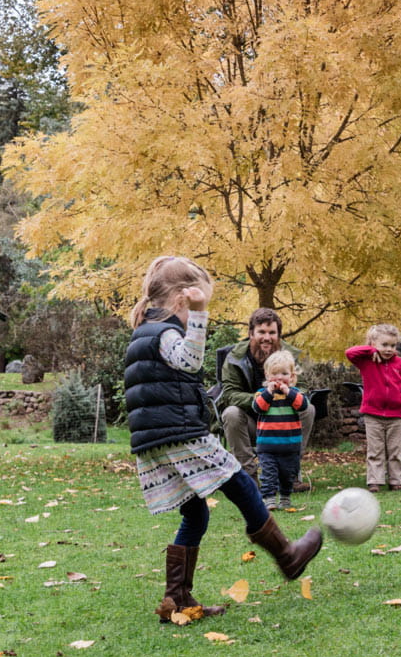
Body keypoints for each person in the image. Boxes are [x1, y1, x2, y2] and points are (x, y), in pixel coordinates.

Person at [121, 256, 321, 624]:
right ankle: (287, 555)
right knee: (241, 482)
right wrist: (199, 315)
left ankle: (176, 599)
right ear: (183, 298)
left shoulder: (144, 331)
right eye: (196, 304)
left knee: (194, 510)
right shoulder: (165, 331)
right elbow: (190, 362)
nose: (196, 315)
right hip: (178, 432)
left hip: (155, 437)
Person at [215, 308, 315, 489]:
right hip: (252, 423)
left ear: (279, 335)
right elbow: (229, 394)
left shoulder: (291, 355)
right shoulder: (235, 358)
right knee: (230, 413)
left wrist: (286, 392)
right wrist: (262, 398)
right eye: (261, 332)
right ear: (251, 333)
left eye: (272, 333)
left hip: (284, 421)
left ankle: (290, 475)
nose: (267, 337)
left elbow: (304, 389)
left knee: (309, 408)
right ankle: (248, 479)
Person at [346, 324, 401, 491]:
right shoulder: (367, 361)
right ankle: (375, 480)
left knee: (395, 450)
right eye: (384, 345)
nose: (389, 349)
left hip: (396, 415)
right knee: (375, 450)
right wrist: (370, 351)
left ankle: (396, 481)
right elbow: (350, 352)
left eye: (392, 345)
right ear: (373, 344)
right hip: (373, 414)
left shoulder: (398, 363)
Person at [252, 350, 308, 510]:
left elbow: (303, 405)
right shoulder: (262, 394)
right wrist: (269, 392)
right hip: (267, 446)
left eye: (284, 373)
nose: (279, 377)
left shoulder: (294, 394)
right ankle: (269, 499)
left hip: (290, 445)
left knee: (288, 475)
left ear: (291, 376)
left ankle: (285, 497)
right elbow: (258, 408)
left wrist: (287, 391)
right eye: (275, 374)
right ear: (268, 376)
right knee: (268, 474)